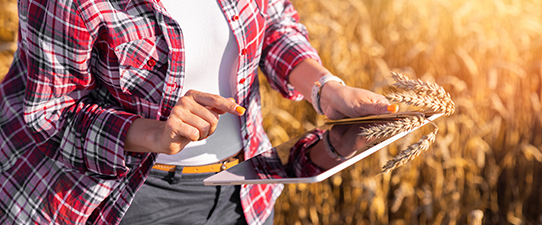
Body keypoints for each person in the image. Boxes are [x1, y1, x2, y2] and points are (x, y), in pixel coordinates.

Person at [0, 0, 397, 224]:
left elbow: (273, 21)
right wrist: (154, 134)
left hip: (246, 191)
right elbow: (48, 114)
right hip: (127, 199)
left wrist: (325, 89)